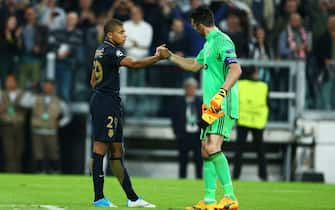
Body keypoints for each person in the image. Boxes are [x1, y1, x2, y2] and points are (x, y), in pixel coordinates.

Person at [157, 6, 241, 210]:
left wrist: (220, 96)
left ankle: (230, 196)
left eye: (192, 24)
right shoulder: (209, 44)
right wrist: (170, 56)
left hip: (221, 103)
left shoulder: (222, 40)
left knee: (212, 147)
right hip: (209, 106)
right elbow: (194, 65)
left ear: (197, 23)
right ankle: (209, 201)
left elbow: (236, 69)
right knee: (205, 151)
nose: (192, 28)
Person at [89, 18, 165, 208]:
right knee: (100, 147)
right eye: (121, 32)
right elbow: (133, 64)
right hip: (106, 102)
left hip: (108, 100)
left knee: (117, 150)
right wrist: (157, 57)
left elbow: (92, 81)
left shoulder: (100, 49)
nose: (125, 34)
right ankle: (99, 198)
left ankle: (132, 198)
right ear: (110, 34)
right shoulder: (112, 50)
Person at [20, 80, 71, 173]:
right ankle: (40, 172)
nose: (47, 88)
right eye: (46, 86)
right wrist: (31, 90)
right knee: (38, 154)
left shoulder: (58, 101)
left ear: (53, 88)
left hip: (51, 131)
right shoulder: (35, 98)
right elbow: (23, 102)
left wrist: (60, 123)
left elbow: (67, 115)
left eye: (50, 86)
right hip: (37, 131)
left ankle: (55, 172)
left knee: (53, 154)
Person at [233, 68, 269, 181]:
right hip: (254, 120)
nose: (257, 75)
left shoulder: (240, 85)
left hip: (246, 120)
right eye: (256, 72)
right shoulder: (263, 86)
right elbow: (268, 103)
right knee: (258, 150)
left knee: (242, 150)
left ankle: (236, 175)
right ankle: (262, 175)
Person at [171, 77, 202, 179]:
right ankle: (182, 180)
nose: (192, 90)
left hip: (197, 135)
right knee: (183, 161)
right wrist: (177, 133)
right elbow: (174, 119)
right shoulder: (178, 102)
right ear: (185, 89)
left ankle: (199, 180)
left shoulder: (200, 102)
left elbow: (205, 119)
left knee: (198, 161)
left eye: (194, 88)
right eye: (190, 88)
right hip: (184, 135)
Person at [0, 74, 26, 172]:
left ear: (16, 82)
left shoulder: (22, 94)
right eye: (7, 81)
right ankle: (10, 174)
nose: (9, 83)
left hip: (19, 126)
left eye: (11, 81)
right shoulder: (1, 94)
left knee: (19, 152)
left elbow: (31, 105)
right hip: (7, 126)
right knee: (9, 153)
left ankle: (17, 174)